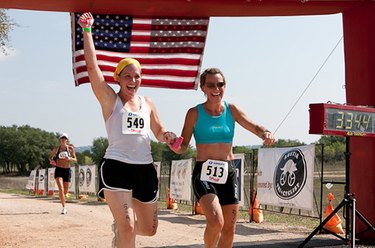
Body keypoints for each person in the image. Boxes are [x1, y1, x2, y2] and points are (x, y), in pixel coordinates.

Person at [78, 12, 177, 248]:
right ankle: (123, 231)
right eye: (128, 76)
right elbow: (93, 69)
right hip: (116, 166)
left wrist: (167, 136)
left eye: (137, 76)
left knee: (149, 230)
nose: (133, 81)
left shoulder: (148, 102)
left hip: (144, 169)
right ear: (119, 78)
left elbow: (158, 129)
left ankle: (121, 231)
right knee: (128, 227)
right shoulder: (110, 100)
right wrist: (87, 31)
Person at [170, 68, 276, 248]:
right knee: (216, 222)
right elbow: (183, 146)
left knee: (229, 229)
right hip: (204, 173)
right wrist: (174, 144)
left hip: (229, 172)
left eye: (220, 84)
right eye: (211, 85)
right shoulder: (194, 113)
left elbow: (255, 126)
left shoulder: (231, 110)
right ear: (203, 88)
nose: (216, 88)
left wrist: (265, 133)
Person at [49, 133, 77, 215]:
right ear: (60, 139)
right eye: (62, 138)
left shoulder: (70, 149)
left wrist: (70, 158)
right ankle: (64, 207)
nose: (63, 139)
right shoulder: (56, 149)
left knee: (65, 191)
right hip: (59, 170)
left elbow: (75, 159)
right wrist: (52, 161)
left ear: (67, 140)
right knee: (61, 189)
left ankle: (62, 199)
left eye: (65, 138)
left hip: (67, 170)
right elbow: (50, 157)